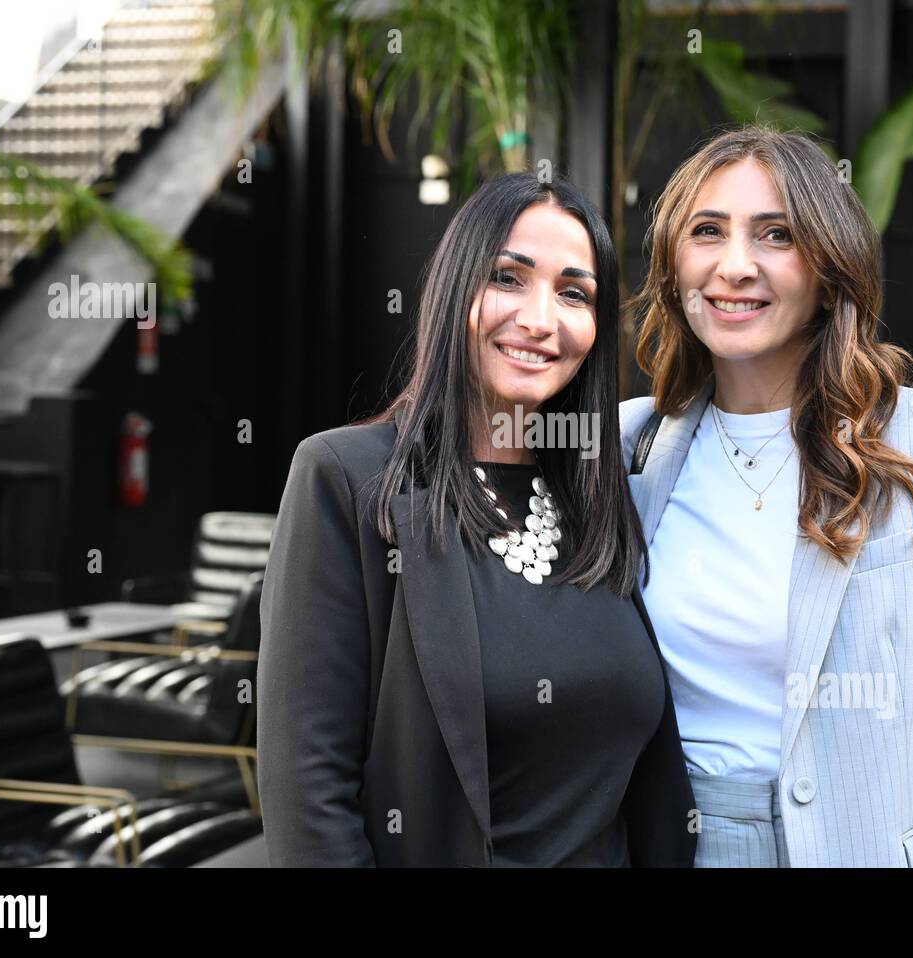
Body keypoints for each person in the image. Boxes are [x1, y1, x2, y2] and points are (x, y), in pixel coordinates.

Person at [621, 125, 913, 867]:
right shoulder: (624, 447)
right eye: (708, 232)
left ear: (829, 272)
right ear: (673, 265)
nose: (736, 265)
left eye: (777, 235)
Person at [257, 171, 695, 867]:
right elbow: (306, 793)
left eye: (574, 293)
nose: (540, 319)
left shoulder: (597, 496)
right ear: (456, 288)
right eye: (508, 278)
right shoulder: (348, 479)